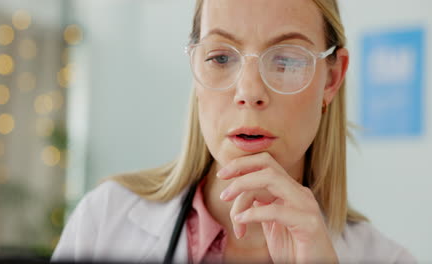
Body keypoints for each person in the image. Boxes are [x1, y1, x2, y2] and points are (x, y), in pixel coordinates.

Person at [52, 0, 416, 263]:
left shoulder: (388, 258)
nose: (250, 92)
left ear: (332, 78)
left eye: (287, 59)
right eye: (221, 57)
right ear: (195, 67)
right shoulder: (103, 222)